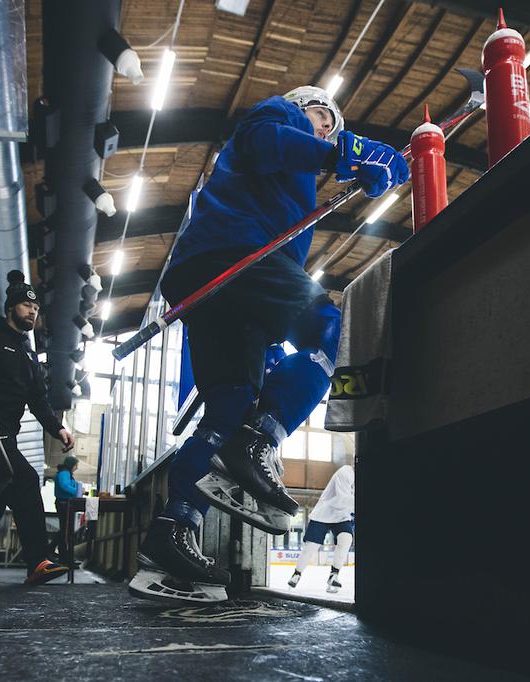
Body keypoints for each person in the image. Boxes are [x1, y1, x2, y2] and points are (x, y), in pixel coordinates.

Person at [129, 85, 407, 603]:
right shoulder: (282, 113)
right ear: (305, 105)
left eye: (332, 128)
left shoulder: (291, 171)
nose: (326, 130)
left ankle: (168, 538)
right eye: (324, 118)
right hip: (242, 256)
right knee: (334, 332)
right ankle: (261, 438)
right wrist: (344, 153)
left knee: (228, 407)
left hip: (215, 276)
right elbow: (265, 142)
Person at [0, 270, 75, 586]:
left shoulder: (29, 354)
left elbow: (38, 400)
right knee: (25, 477)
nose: (33, 312)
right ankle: (37, 561)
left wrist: (58, 428)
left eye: (35, 309)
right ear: (11, 308)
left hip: (6, 435)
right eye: (26, 306)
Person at [288, 463, 355, 594]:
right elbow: (343, 500)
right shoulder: (346, 472)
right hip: (324, 514)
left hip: (342, 516)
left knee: (346, 539)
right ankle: (297, 574)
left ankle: (334, 575)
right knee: (311, 547)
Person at [53, 455, 83, 566]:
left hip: (66, 504)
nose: (76, 467)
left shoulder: (65, 473)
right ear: (71, 465)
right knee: (65, 531)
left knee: (65, 529)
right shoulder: (64, 474)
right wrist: (76, 491)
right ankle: (63, 557)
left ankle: (63, 555)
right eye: (76, 465)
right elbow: (64, 485)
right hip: (64, 504)